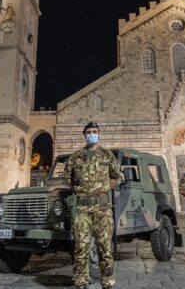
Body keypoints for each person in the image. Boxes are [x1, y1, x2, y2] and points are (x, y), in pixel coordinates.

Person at [62, 122, 122, 289]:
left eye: (94, 131)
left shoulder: (107, 155)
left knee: (105, 247)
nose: (91, 134)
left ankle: (107, 282)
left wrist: (103, 188)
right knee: (81, 247)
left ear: (99, 134)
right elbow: (67, 177)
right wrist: (79, 190)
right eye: (88, 132)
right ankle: (81, 281)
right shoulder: (76, 157)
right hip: (82, 210)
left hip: (102, 209)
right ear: (84, 135)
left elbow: (117, 176)